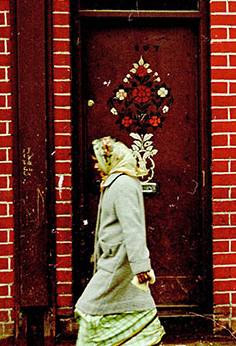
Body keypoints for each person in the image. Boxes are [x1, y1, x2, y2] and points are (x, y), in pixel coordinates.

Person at [75, 136, 165, 345]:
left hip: (119, 262)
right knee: (135, 307)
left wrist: (141, 266)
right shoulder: (115, 181)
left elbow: (133, 227)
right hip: (116, 260)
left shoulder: (123, 184)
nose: (96, 166)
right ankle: (145, 339)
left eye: (97, 160)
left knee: (89, 306)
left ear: (111, 158)